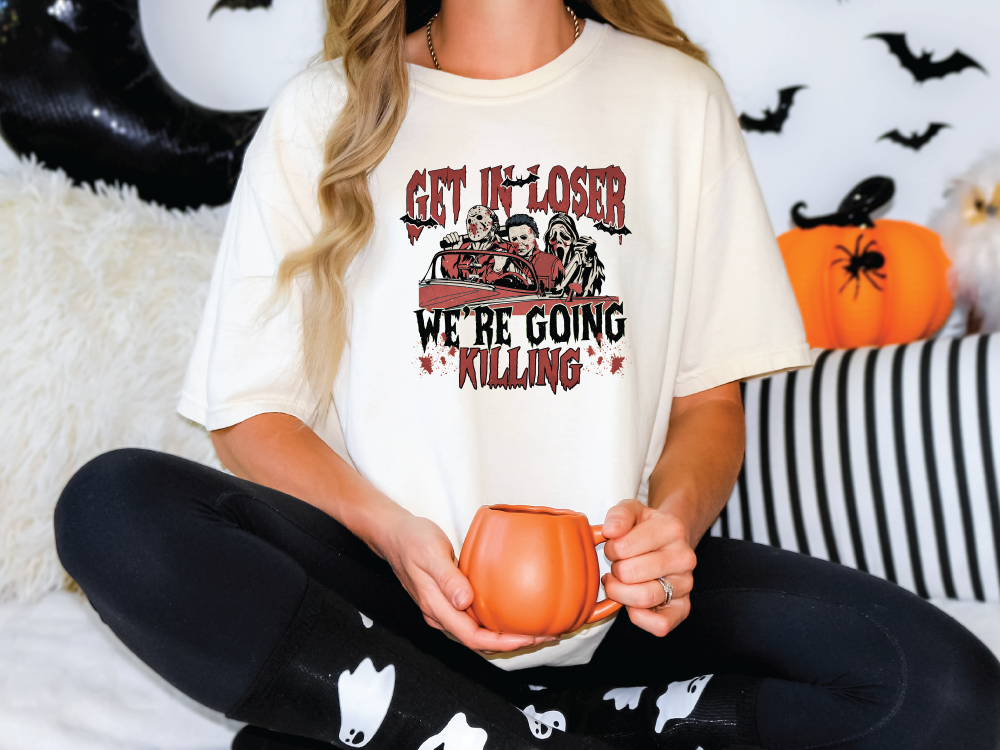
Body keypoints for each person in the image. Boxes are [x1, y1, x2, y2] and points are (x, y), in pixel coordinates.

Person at [53, 2, 1000, 750]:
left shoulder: (676, 100)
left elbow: (709, 404)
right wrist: (389, 534)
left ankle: (432, 727)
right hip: (395, 594)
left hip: (621, 611)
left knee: (949, 694)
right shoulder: (323, 113)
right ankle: (516, 734)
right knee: (112, 505)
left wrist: (667, 529)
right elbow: (249, 416)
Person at [544, 211, 605, 297]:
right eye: (553, 238)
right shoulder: (544, 265)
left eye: (564, 236)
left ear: (573, 240)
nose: (558, 241)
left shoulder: (583, 261)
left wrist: (585, 258)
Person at [502, 213, 565, 292]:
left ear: (534, 235)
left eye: (524, 237)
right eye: (514, 239)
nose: (519, 243)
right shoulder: (505, 261)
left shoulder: (553, 262)